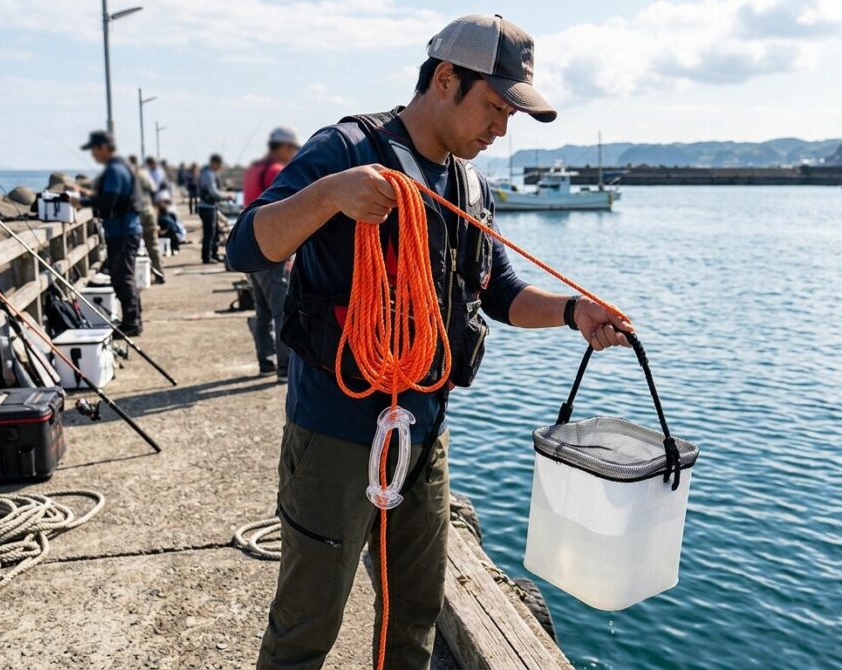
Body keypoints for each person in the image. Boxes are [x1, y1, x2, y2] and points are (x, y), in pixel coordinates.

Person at [226, 15, 632, 670]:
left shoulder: (470, 185)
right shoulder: (347, 150)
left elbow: (498, 292)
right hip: (336, 433)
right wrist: (331, 195)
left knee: (415, 611)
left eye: (510, 116)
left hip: (424, 436)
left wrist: (573, 311)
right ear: (446, 79)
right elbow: (246, 245)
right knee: (308, 626)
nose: (501, 129)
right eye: (495, 108)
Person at [242, 127, 302, 379]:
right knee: (281, 310)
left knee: (262, 310)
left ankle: (265, 361)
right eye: (292, 149)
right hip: (272, 253)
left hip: (250, 251)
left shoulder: (253, 170)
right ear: (283, 148)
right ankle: (284, 367)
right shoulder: (277, 171)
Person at [77, 130, 145, 336]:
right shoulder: (121, 167)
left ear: (103, 148)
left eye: (94, 150)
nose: (93, 156)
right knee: (124, 275)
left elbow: (109, 201)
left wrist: (82, 202)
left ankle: (131, 323)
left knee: (122, 276)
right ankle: (134, 319)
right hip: (124, 230)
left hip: (123, 231)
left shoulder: (115, 170)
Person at [129, 155, 165, 284]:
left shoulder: (126, 175)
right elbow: (154, 188)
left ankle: (133, 277)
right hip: (148, 211)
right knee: (153, 244)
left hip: (134, 214)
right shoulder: (143, 173)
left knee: (132, 246)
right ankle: (159, 273)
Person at [197, 153, 235, 264]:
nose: (220, 167)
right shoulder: (209, 175)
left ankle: (214, 254)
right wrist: (227, 196)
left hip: (209, 206)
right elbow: (213, 192)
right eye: (219, 165)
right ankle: (207, 257)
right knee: (209, 233)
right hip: (207, 207)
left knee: (215, 232)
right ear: (214, 163)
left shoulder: (207, 173)